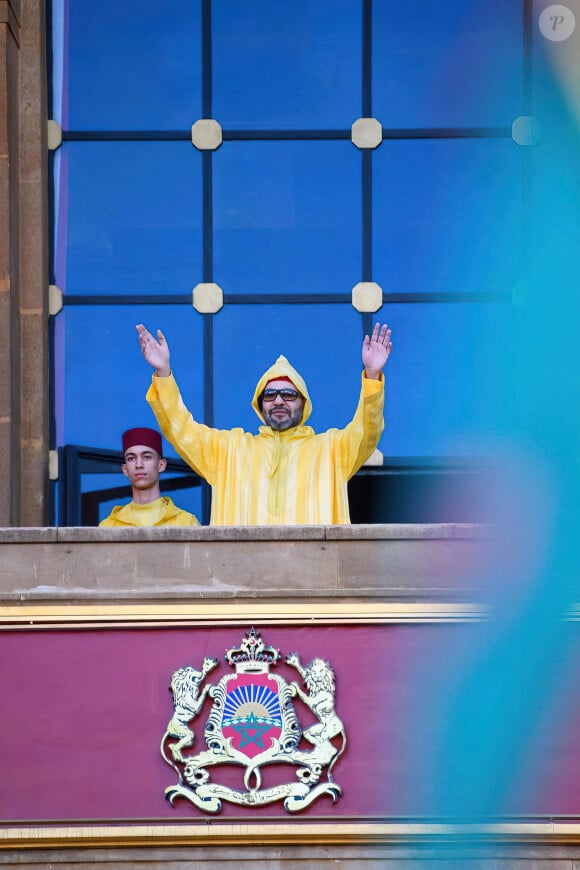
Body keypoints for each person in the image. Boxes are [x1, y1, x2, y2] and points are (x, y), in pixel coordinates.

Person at [136, 322, 392, 525]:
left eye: (288, 394)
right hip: (242, 582)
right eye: (269, 395)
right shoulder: (229, 451)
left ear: (303, 403)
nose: (278, 400)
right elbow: (180, 427)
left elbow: (367, 429)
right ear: (259, 405)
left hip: (314, 583)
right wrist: (164, 373)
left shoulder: (332, 450)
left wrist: (371, 376)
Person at [99, 427, 200, 527]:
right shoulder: (109, 525)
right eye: (131, 458)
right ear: (125, 469)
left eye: (147, 457)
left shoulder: (186, 522)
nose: (139, 465)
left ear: (161, 465)